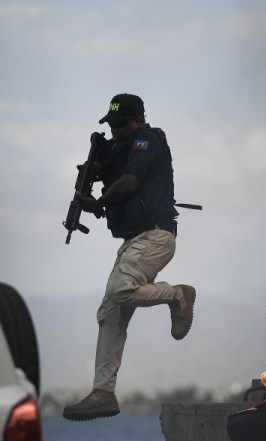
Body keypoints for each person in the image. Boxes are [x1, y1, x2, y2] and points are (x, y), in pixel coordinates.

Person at [63, 93, 196, 421]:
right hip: (135, 240)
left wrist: (98, 203)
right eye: (111, 125)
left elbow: (129, 182)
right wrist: (93, 170)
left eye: (120, 124)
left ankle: (177, 294)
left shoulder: (146, 142)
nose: (115, 131)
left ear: (136, 120)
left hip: (156, 235)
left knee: (119, 289)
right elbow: (105, 168)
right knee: (110, 312)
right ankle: (103, 393)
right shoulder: (117, 146)